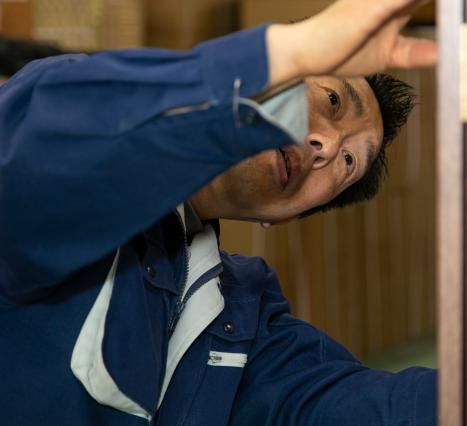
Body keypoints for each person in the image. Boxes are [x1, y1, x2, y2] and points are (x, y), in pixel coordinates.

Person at [0, 0, 438, 424]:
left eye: (348, 162)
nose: (327, 145)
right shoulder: (69, 126)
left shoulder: (241, 320)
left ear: (284, 217)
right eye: (332, 101)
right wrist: (284, 54)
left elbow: (358, 407)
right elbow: (36, 166)